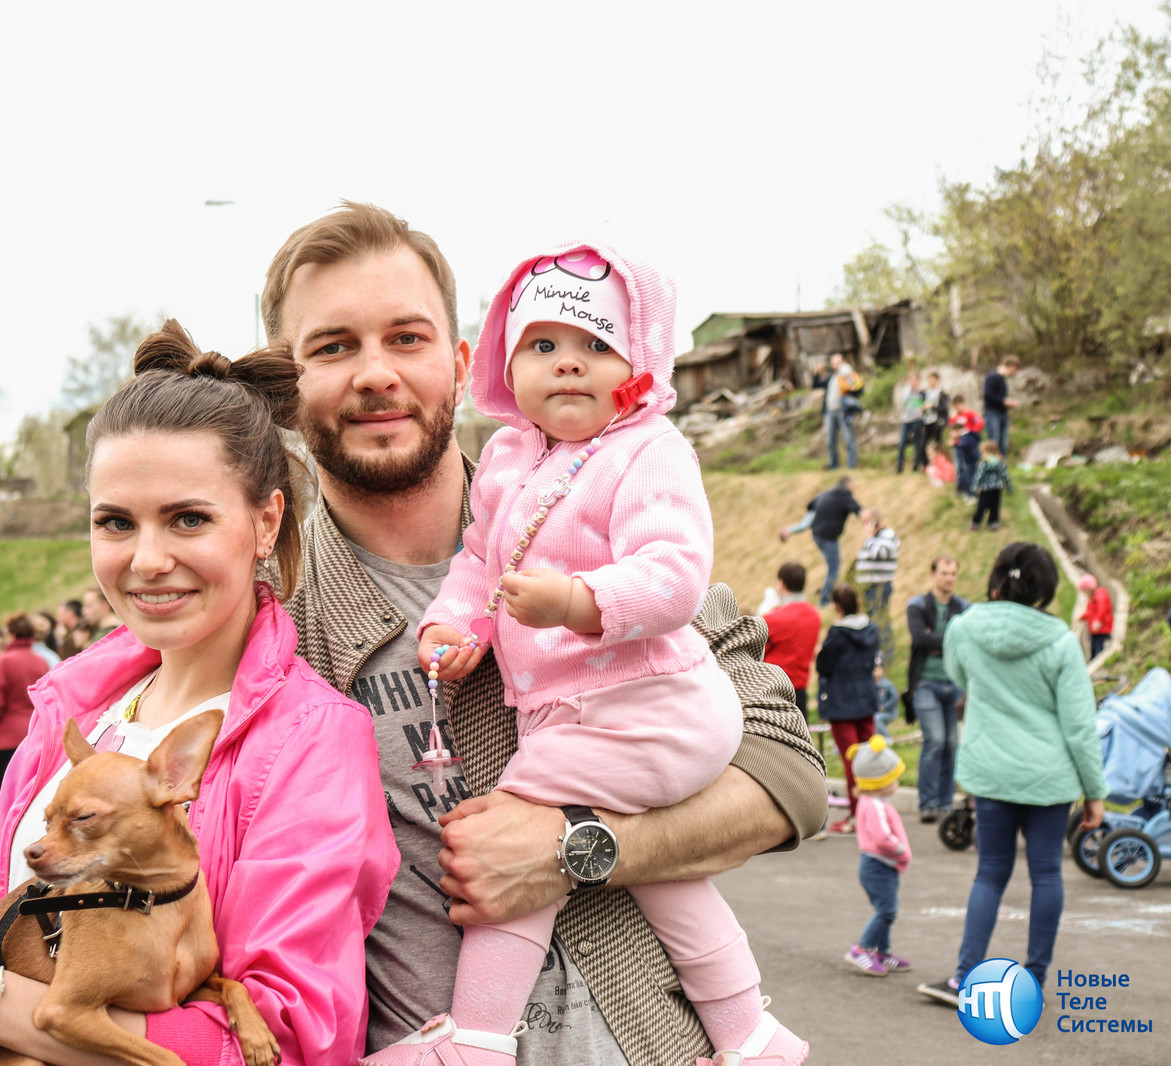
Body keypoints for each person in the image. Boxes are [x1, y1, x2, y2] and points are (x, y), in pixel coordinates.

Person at [266, 203, 825, 1065]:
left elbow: (790, 774)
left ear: (462, 366)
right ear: (286, 385)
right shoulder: (276, 625)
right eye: (333, 347)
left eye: (407, 339)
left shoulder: (607, 514)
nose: (376, 374)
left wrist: (577, 846)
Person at [0, 321, 398, 1066]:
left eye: (188, 519)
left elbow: (292, 1038)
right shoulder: (75, 706)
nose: (147, 560)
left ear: (266, 521)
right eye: (116, 522)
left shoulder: (311, 741)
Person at [919, 543, 1107, 1003]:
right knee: (1046, 874)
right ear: (1046, 587)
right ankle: (1033, 980)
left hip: (992, 770)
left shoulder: (964, 628)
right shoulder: (1061, 641)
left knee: (989, 874)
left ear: (998, 579)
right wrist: (1094, 791)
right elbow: (1080, 725)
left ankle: (964, 976)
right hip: (1049, 777)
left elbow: (961, 677)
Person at [906, 556, 969, 824]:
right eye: (944, 573)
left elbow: (966, 640)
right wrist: (950, 642)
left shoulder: (964, 607)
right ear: (933, 574)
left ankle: (945, 804)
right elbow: (920, 638)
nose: (949, 578)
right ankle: (928, 803)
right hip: (926, 683)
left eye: (953, 573)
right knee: (935, 741)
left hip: (955, 684)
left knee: (952, 745)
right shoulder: (918, 605)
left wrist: (938, 642)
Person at [813, 584, 880, 834]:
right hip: (866, 698)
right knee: (870, 757)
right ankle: (874, 812)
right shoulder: (872, 629)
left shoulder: (837, 634)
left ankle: (856, 816)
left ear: (837, 606)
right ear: (858, 602)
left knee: (852, 761)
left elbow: (823, 665)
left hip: (842, 702)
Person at [843, 737, 912, 977]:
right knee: (887, 911)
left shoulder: (870, 801)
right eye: (893, 779)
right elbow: (882, 837)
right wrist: (900, 849)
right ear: (880, 783)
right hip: (879, 865)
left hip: (879, 866)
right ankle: (861, 949)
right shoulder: (876, 806)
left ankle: (882, 951)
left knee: (886, 909)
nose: (896, 783)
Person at [0, 613, 49, 795]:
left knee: (8, 790)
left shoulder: (4, 660)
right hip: (35, 732)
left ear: (12, 634)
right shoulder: (40, 661)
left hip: (8, 734)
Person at [761, 562, 823, 716]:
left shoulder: (773, 619)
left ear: (781, 583)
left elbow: (757, 652)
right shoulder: (814, 616)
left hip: (774, 690)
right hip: (800, 690)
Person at [799, 477, 861, 606]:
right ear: (847, 485)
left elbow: (810, 505)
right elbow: (858, 510)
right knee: (834, 568)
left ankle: (825, 592)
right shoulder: (844, 495)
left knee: (832, 567)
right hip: (828, 537)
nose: (854, 489)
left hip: (817, 534)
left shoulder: (827, 493)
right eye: (852, 486)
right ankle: (825, 599)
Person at [851, 509, 899, 665]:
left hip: (879, 587)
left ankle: (887, 656)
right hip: (868, 588)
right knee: (871, 621)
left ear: (875, 521)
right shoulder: (876, 538)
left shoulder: (887, 535)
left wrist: (870, 537)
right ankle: (876, 655)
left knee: (880, 620)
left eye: (866, 522)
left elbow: (879, 553)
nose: (864, 526)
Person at [817, 353, 863, 470]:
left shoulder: (848, 375)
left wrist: (852, 387)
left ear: (844, 362)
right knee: (830, 440)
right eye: (833, 363)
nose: (835, 365)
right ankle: (834, 466)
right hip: (830, 412)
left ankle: (852, 466)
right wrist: (817, 373)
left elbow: (859, 390)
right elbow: (816, 385)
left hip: (844, 411)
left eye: (837, 362)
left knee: (848, 439)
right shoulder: (831, 377)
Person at [969, 440, 1013, 531]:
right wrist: (1009, 488)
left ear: (986, 452)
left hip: (986, 489)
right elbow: (1005, 476)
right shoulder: (1000, 462)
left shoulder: (984, 463)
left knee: (981, 506)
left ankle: (975, 523)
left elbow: (979, 475)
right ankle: (994, 523)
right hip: (997, 488)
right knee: (994, 506)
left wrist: (974, 486)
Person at [982, 355, 1021, 456]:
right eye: (1015, 369)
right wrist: (1004, 401)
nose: (1015, 372)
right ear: (1012, 367)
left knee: (1003, 445)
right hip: (992, 414)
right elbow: (988, 394)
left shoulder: (1002, 379)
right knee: (993, 445)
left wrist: (1008, 403)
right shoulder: (992, 377)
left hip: (1002, 414)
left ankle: (1000, 465)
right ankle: (991, 465)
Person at [948, 396, 984, 499]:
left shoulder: (970, 413)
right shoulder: (955, 416)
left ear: (963, 404)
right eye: (955, 407)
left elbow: (980, 423)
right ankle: (962, 488)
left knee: (969, 468)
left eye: (959, 406)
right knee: (960, 467)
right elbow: (951, 427)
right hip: (958, 445)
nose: (958, 408)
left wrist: (969, 432)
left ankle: (973, 492)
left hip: (967, 446)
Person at [894, 371, 926, 474]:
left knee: (917, 444)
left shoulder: (922, 392)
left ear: (918, 381)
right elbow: (901, 404)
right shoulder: (905, 391)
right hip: (906, 420)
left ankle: (916, 466)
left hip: (917, 420)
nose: (913, 382)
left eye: (915, 380)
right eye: (911, 380)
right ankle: (899, 467)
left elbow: (925, 405)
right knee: (901, 444)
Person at [1077, 575, 1114, 660]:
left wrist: (1098, 621)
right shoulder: (1091, 598)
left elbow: (1102, 609)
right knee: (1093, 646)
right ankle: (1092, 660)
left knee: (1099, 646)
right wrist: (1082, 617)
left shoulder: (1100, 596)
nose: (1084, 593)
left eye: (1084, 591)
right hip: (1094, 630)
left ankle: (1102, 660)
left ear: (1088, 589)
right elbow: (1090, 612)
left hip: (1102, 628)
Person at [920, 370, 948, 463]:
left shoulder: (941, 393)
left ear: (937, 380)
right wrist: (922, 409)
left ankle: (941, 463)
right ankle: (926, 465)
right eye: (929, 380)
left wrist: (932, 406)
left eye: (932, 380)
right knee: (923, 444)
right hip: (927, 421)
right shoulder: (925, 393)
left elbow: (944, 408)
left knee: (938, 444)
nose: (930, 382)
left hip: (937, 421)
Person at [872, 665, 899, 736]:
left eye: (879, 669)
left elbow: (895, 698)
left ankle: (887, 739)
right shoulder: (870, 683)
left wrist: (884, 706)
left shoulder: (887, 684)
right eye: (875, 669)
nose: (876, 671)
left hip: (889, 712)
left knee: (876, 719)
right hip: (875, 712)